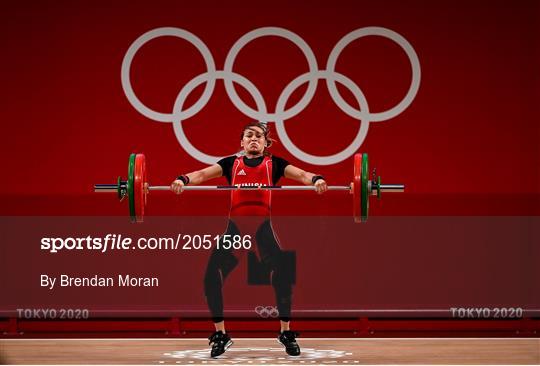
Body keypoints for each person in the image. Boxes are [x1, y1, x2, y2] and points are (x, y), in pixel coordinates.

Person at [171, 122, 328, 358]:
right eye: (249, 136)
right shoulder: (230, 164)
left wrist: (316, 180)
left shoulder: (274, 164)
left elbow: (303, 175)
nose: (254, 139)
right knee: (210, 278)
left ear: (265, 143)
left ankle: (285, 332)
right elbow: (201, 174)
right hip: (236, 231)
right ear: (241, 142)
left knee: (283, 274)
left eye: (258, 136)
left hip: (262, 230)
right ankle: (221, 335)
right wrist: (182, 180)